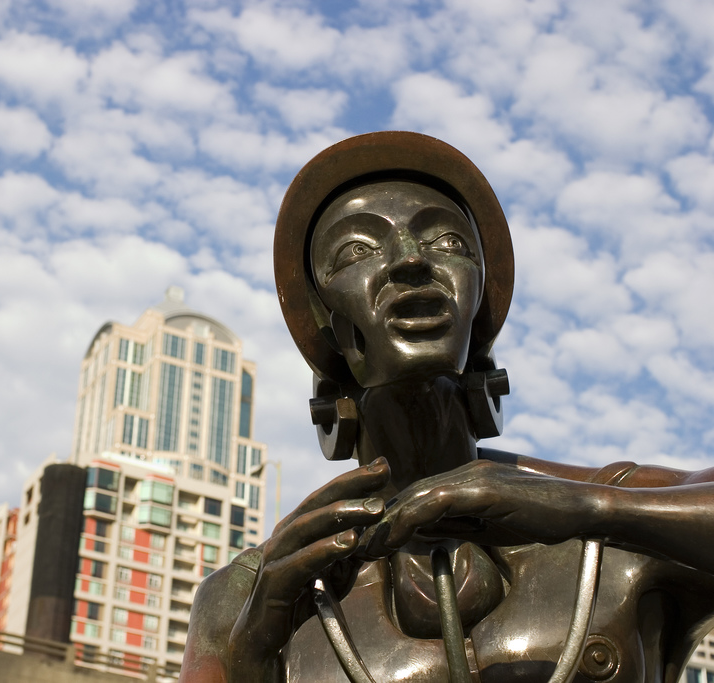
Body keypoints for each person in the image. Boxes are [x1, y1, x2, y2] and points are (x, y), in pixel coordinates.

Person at [181, 132, 714, 683]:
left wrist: (592, 510)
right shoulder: (253, 596)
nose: (410, 261)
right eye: (356, 252)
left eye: (447, 242)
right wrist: (250, 652)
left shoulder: (612, 518)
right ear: (330, 327)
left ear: (478, 298)